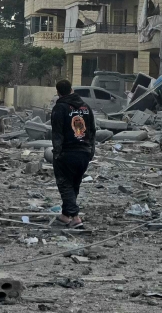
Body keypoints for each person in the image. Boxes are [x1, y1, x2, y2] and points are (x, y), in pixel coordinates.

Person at [50, 79, 95, 228]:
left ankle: (75, 217)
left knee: (65, 184)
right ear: (71, 90)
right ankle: (65, 215)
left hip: (68, 153)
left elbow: (57, 133)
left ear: (58, 92)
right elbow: (92, 131)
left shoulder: (60, 108)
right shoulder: (86, 107)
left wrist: (57, 154)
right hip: (84, 152)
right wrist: (91, 151)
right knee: (74, 184)